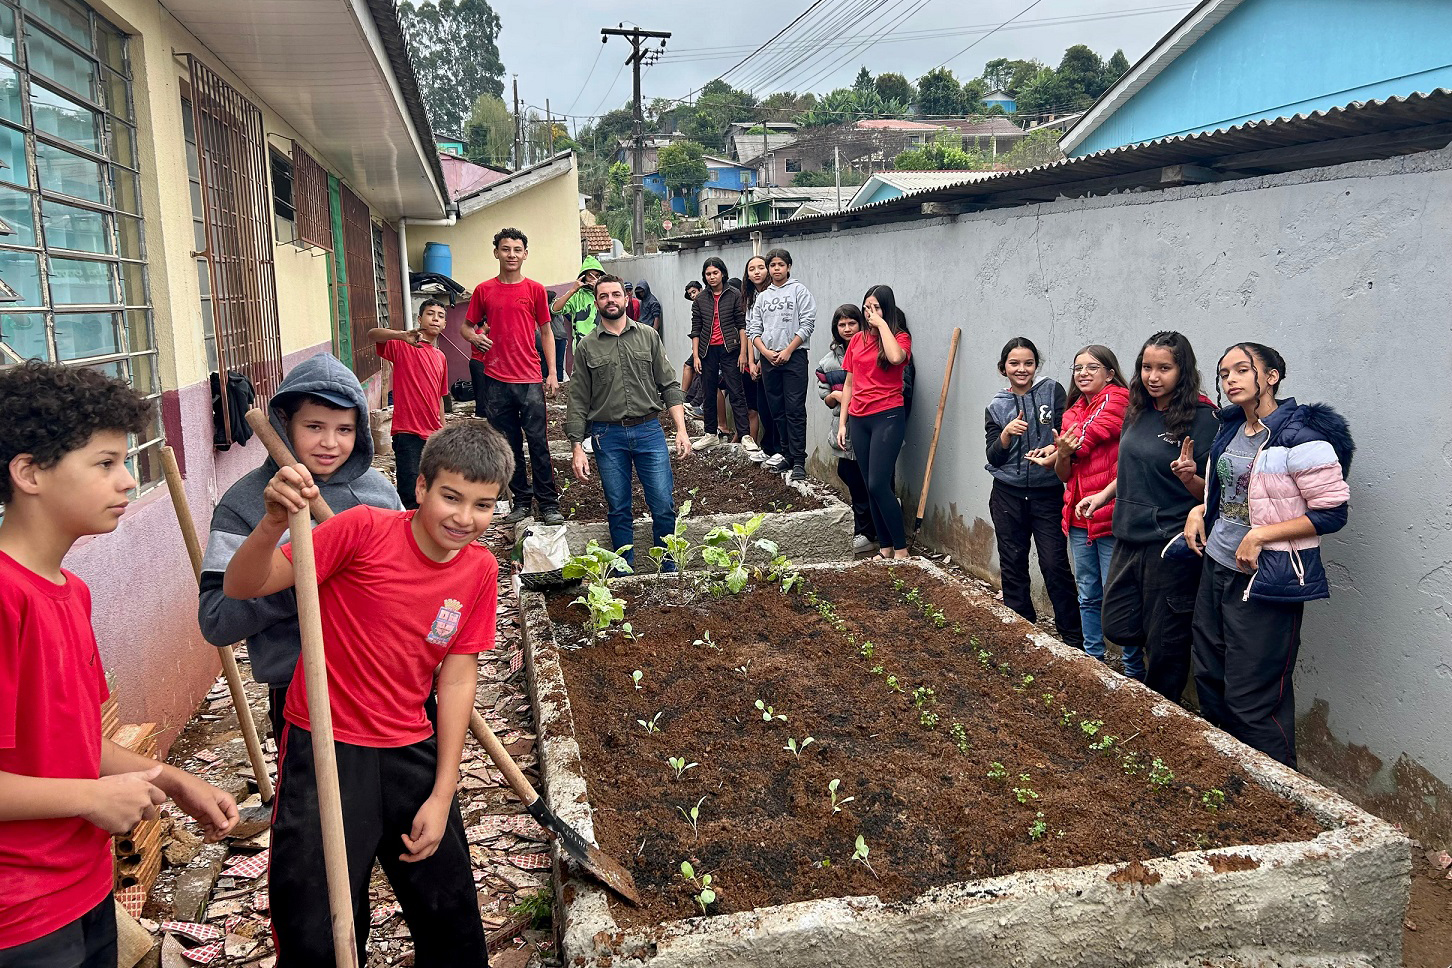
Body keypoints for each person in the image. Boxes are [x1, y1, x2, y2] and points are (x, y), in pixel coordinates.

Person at [224, 421, 510, 968]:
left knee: (451, 920)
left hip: (411, 748)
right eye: (451, 497)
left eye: (483, 505)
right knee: (316, 925)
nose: (463, 518)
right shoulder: (360, 530)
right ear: (420, 487)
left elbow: (456, 678)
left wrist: (443, 791)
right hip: (325, 748)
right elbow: (242, 586)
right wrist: (271, 526)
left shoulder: (479, 570)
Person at [1, 362, 238, 966]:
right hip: (17, 918)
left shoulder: (69, 591)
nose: (129, 481)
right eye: (105, 464)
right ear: (29, 473)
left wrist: (173, 780)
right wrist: (89, 797)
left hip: (81, 889)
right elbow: (78, 779)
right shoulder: (5, 599)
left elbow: (71, 740)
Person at [200, 354, 401, 740]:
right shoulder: (245, 505)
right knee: (313, 801)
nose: (330, 442)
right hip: (300, 693)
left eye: (344, 429)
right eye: (313, 426)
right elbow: (217, 620)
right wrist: (302, 580)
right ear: (283, 422)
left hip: (389, 680)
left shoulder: (378, 492)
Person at [1184, 343, 1352, 768]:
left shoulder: (1300, 436)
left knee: (1253, 696)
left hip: (1266, 578)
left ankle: (1281, 796)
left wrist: (1262, 536)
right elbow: (1236, 496)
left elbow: (1332, 512)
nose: (1231, 380)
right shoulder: (1230, 430)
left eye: (1243, 370)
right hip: (1217, 567)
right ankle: (1230, 773)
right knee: (1210, 674)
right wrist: (1198, 507)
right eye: (1224, 374)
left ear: (1272, 376)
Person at [1081, 331, 1218, 700]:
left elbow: (1214, 496)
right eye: (1146, 367)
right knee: (1119, 622)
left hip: (1170, 544)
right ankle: (1147, 694)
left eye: (1164, 368)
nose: (1153, 377)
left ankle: (1162, 710)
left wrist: (1191, 477)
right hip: (1128, 532)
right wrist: (1104, 494)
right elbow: (1130, 466)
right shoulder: (1138, 410)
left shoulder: (1203, 419)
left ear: (1182, 370)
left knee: (1166, 643)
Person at [566, 275, 692, 568]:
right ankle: (624, 570)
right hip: (607, 436)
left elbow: (669, 385)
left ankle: (668, 567)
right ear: (597, 303)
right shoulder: (586, 347)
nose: (610, 300)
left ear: (625, 298)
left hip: (649, 431)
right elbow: (578, 399)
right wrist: (576, 446)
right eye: (603, 296)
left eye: (615, 294)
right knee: (618, 507)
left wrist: (681, 431)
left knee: (662, 505)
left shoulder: (648, 336)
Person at [1027, 345, 1131, 669]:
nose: (1083, 373)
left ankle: (1132, 667)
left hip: (1110, 515)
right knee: (1087, 591)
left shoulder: (1118, 399)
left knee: (1119, 594)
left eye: (1092, 367)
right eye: (1077, 368)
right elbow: (1065, 471)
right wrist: (1058, 456)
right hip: (1078, 517)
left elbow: (1084, 439)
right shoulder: (1073, 411)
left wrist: (1059, 449)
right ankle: (1093, 658)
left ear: (1110, 373)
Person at [984, 337, 1084, 649]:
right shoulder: (996, 406)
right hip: (1007, 495)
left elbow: (1068, 430)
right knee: (1012, 563)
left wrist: (1053, 448)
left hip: (1047, 494)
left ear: (1036, 365)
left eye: (1028, 363)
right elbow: (993, 457)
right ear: (1003, 369)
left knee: (1055, 564)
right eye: (1014, 364)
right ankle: (1021, 632)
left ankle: (1073, 638)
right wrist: (1004, 435)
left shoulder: (1052, 391)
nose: (1022, 369)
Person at [461, 227, 562, 526]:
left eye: (517, 250)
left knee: (539, 443)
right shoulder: (484, 290)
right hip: (495, 380)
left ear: (525, 254)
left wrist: (552, 372)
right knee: (508, 444)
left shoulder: (534, 290)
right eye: (506, 249)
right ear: (496, 253)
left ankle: (548, 503)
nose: (512, 255)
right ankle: (521, 501)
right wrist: (475, 337)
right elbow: (466, 328)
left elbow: (546, 331)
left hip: (530, 379)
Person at [837, 286, 913, 559]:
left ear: (887, 310)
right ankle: (885, 548)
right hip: (859, 417)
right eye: (867, 307)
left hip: (888, 415)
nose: (871, 312)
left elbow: (895, 358)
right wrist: (843, 423)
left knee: (880, 483)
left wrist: (881, 325)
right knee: (870, 485)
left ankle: (901, 550)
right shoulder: (856, 340)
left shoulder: (900, 338)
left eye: (877, 307)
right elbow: (849, 383)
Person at [371, 300, 448, 510]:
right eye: (430, 314)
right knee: (409, 489)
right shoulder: (402, 346)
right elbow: (372, 334)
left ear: (444, 325)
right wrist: (400, 335)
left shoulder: (440, 357)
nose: (435, 318)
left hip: (433, 434)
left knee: (433, 487)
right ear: (420, 319)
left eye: (440, 316)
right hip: (408, 432)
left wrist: (442, 430)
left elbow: (439, 396)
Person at [747, 247, 815, 479]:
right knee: (777, 409)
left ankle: (798, 461)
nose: (776, 269)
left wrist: (788, 350)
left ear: (788, 267)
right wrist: (765, 353)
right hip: (769, 359)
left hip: (794, 357)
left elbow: (807, 324)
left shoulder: (799, 291)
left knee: (795, 409)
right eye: (772, 265)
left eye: (780, 265)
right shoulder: (762, 298)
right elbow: (754, 329)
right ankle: (785, 453)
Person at [817, 305, 876, 554]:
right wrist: (839, 396)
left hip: (869, 423)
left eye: (852, 323)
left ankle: (869, 531)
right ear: (835, 329)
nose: (847, 329)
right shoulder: (828, 363)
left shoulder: (871, 351)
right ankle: (866, 527)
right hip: (843, 426)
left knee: (868, 477)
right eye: (842, 325)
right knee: (848, 472)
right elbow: (826, 397)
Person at [690, 257, 757, 453]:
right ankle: (710, 434)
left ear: (723, 273)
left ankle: (745, 435)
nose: (712, 277)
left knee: (736, 392)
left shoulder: (734, 294)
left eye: (715, 273)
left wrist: (743, 353)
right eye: (708, 274)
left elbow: (742, 325)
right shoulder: (701, 299)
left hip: (731, 349)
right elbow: (696, 329)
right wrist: (695, 356)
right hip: (707, 351)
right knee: (708, 391)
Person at [740, 255, 772, 460]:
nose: (757, 272)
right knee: (762, 405)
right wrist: (752, 362)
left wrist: (762, 359)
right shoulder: (750, 298)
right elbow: (752, 331)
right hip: (759, 356)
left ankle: (777, 449)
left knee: (774, 406)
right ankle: (768, 448)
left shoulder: (772, 294)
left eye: (761, 267)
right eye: (752, 269)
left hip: (773, 355)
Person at [555, 257, 606, 342]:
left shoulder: (606, 293)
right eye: (590, 275)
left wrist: (599, 290)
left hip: (604, 344)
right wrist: (572, 291)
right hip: (582, 345)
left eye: (597, 276)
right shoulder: (576, 295)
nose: (594, 279)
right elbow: (555, 309)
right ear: (583, 276)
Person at [681, 281, 704, 418]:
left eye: (694, 292)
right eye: (690, 294)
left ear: (701, 289)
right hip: (699, 345)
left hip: (706, 346)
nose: (693, 296)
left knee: (700, 371)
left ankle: (692, 402)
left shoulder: (706, 303)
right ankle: (684, 398)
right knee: (688, 366)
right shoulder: (696, 306)